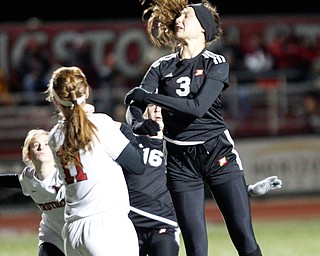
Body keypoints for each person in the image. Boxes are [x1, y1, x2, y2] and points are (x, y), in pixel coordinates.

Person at [124, 1, 270, 255]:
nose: (179, 20)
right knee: (195, 248)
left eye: (186, 16)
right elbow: (133, 101)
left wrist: (150, 98)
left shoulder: (216, 62)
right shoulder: (161, 67)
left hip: (217, 153)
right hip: (180, 161)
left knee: (243, 237)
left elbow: (197, 107)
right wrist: (138, 122)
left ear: (203, 27)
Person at [45, 66, 146, 256]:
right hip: (107, 225)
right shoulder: (101, 124)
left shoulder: (54, 137)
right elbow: (138, 165)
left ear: (55, 101)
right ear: (87, 91)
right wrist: (124, 129)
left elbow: (74, 124)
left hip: (73, 232)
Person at [0, 129, 65, 256]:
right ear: (28, 154)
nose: (41, 148)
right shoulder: (28, 177)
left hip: (78, 230)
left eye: (46, 144)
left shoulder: (66, 175)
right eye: (36, 145)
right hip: (52, 232)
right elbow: (12, 180)